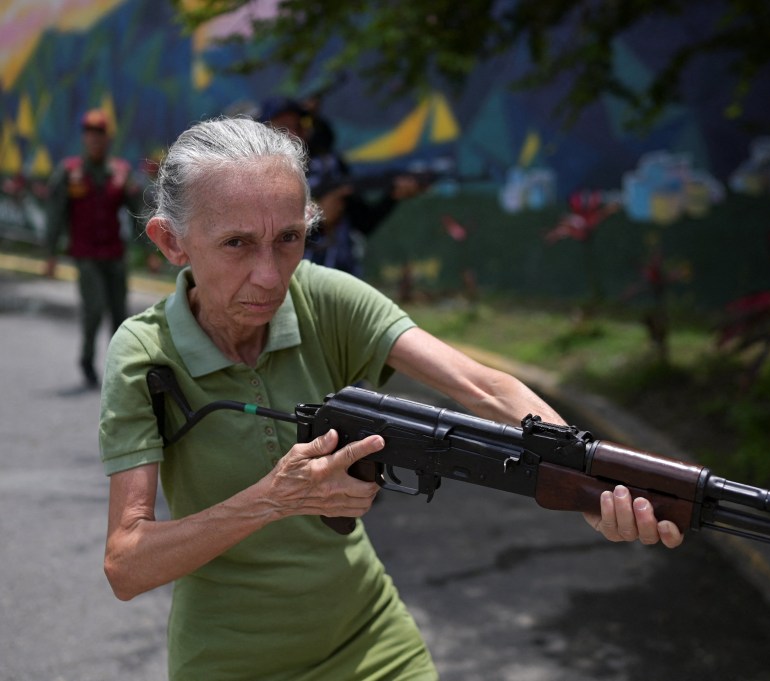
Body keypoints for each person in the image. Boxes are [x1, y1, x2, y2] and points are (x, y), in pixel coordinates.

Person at [99, 117, 683, 681]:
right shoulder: (145, 356)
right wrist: (272, 499)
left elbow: (482, 386)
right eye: (236, 244)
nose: (271, 276)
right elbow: (126, 564)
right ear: (171, 242)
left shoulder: (323, 299)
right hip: (229, 666)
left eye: (289, 239)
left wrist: (590, 483)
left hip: (372, 643)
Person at [258, 96, 422, 277]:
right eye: (283, 127)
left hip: (341, 279)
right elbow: (258, 238)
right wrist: (317, 222)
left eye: (299, 126)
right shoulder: (253, 177)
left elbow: (363, 223)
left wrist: (392, 197)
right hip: (288, 283)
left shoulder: (331, 167)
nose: (294, 134)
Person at [45, 108, 145, 387]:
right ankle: (87, 360)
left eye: (100, 134)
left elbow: (138, 213)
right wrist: (51, 252)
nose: (95, 140)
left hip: (114, 254)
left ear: (108, 139)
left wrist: (150, 251)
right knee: (94, 307)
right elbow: (55, 214)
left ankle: (120, 365)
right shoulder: (70, 173)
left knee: (119, 312)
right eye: (90, 135)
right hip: (86, 254)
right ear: (84, 139)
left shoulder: (120, 173)